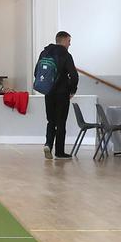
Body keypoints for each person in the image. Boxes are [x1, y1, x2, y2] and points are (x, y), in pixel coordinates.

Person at [39, 31, 79, 160]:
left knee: (51, 121)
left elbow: (37, 72)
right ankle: (59, 152)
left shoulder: (44, 53)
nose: (70, 44)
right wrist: (72, 90)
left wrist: (45, 86)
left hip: (48, 92)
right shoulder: (66, 55)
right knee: (61, 122)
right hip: (62, 93)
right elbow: (74, 75)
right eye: (69, 41)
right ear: (63, 41)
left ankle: (48, 145)